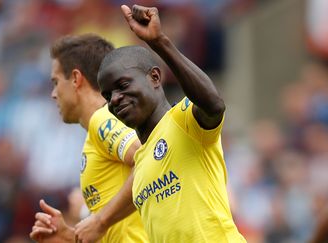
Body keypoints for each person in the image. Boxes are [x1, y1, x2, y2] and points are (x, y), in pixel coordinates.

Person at [94, 4, 247, 242]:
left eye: (123, 86)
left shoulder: (183, 119)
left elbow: (213, 105)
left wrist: (160, 43)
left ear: (155, 77)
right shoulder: (140, 168)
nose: (114, 99)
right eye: (107, 95)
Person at [29, 34, 148, 242]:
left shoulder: (103, 120)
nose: (53, 94)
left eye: (56, 82)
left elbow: (149, 159)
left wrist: (100, 220)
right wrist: (69, 236)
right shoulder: (96, 132)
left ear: (76, 79)